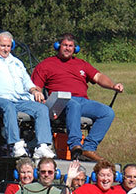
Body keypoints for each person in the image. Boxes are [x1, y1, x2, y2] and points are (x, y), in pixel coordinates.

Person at [31, 33, 123, 162]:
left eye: (71, 46)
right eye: (64, 45)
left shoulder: (81, 64)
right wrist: (39, 97)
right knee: (73, 104)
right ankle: (75, 144)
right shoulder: (46, 65)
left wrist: (113, 86)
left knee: (107, 112)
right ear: (58, 46)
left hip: (82, 101)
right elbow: (36, 88)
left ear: (75, 49)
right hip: (60, 102)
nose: (67, 48)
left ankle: (89, 148)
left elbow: (98, 77)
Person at [0, 31, 55, 159]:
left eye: (8, 46)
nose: (6, 49)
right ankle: (15, 144)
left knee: (41, 108)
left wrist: (34, 91)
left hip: (18, 99)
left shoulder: (16, 62)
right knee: (9, 106)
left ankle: (42, 146)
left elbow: (27, 81)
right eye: (3, 46)